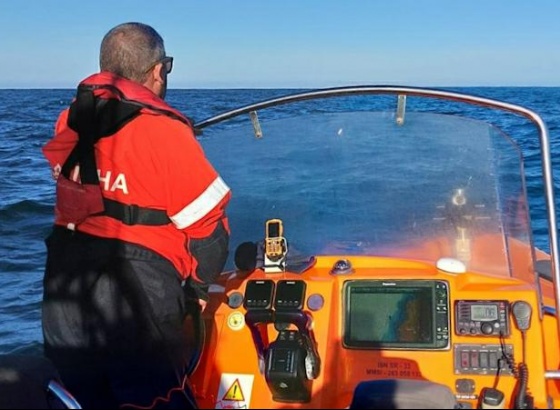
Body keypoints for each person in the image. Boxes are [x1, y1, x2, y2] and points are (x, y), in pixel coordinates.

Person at [41, 22, 231, 409]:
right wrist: (195, 293)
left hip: (64, 288)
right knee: (157, 400)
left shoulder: (70, 121)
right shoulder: (164, 131)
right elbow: (209, 231)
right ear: (158, 70)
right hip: (136, 295)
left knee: (88, 399)